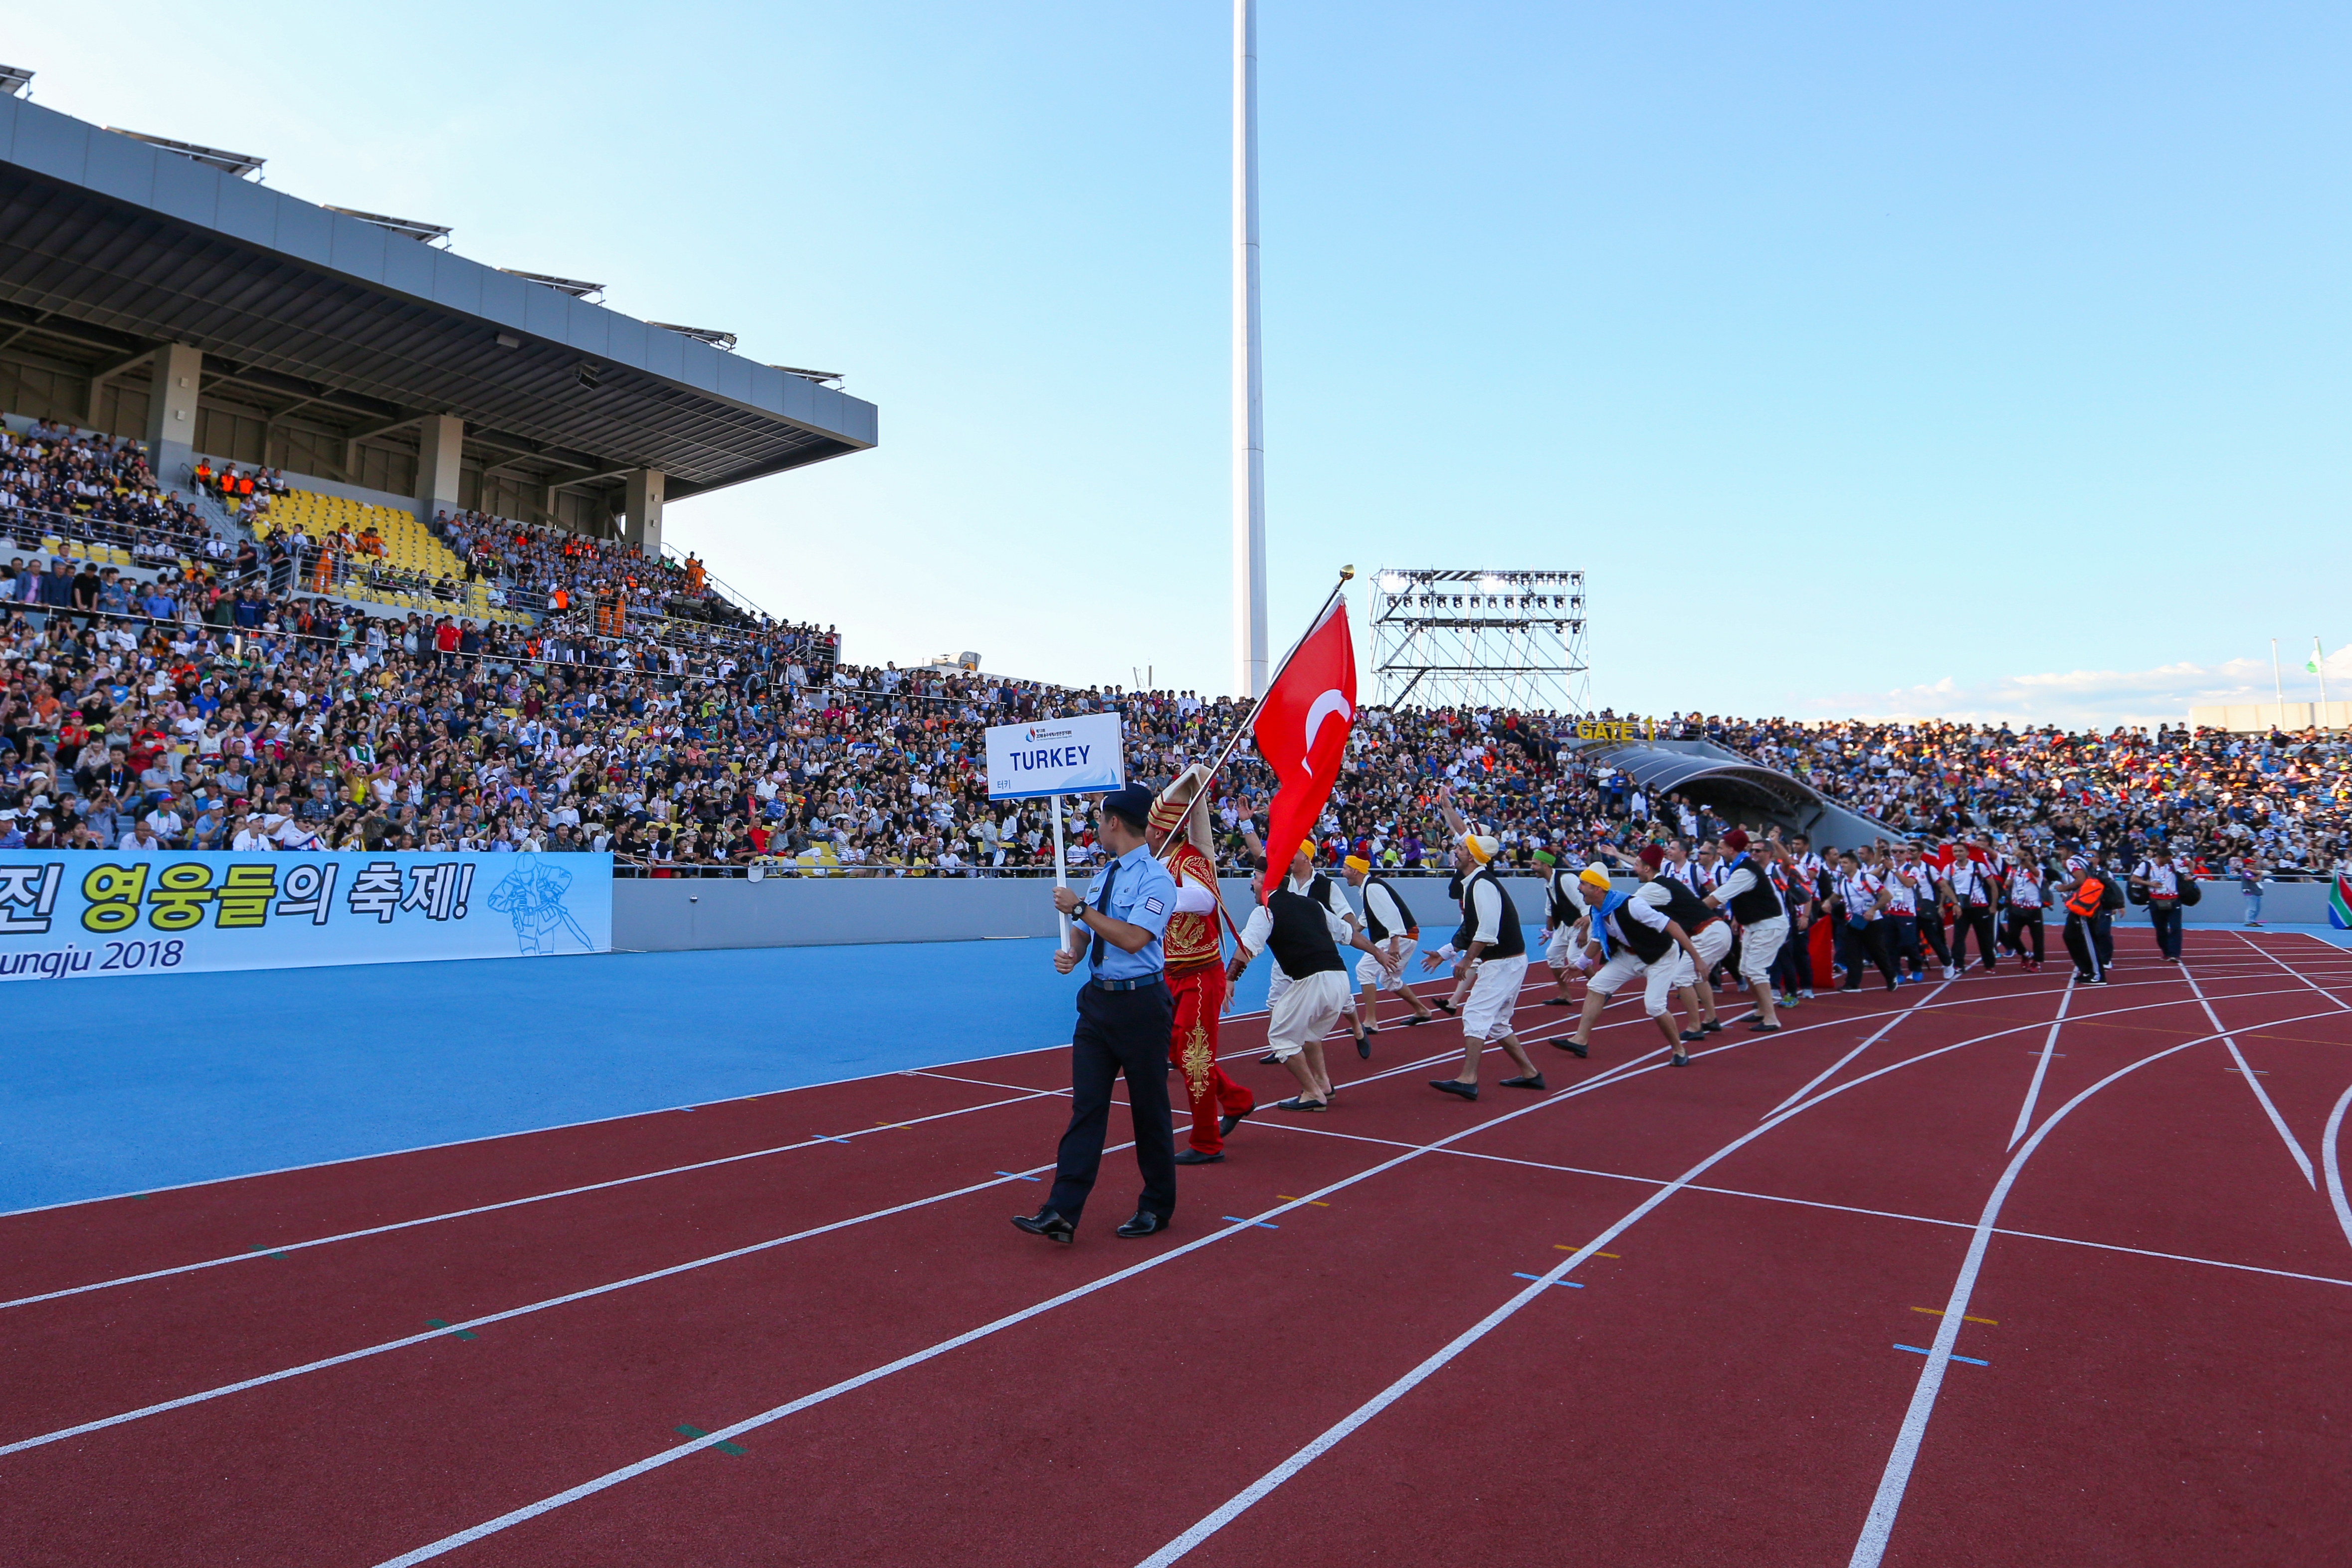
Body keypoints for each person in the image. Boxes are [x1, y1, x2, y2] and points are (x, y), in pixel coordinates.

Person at [1014, 785, 1181, 1245]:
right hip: (1098, 1001)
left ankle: (1156, 1206)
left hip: (1141, 1005)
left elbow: (1133, 939)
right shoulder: (1103, 875)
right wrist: (1074, 950)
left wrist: (1081, 909)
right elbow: (1091, 933)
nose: (1096, 827)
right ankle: (1061, 1211)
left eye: (1100, 819)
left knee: (1149, 1110)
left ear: (1114, 823)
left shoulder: (1156, 880)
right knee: (1086, 1108)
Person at [1227, 842, 1395, 1112]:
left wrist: (1229, 979)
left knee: (1281, 1039)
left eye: (1256, 879)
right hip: (1340, 981)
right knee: (1308, 1036)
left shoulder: (1266, 912)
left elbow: (1247, 947)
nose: (1252, 885)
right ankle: (1325, 1085)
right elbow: (1349, 934)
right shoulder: (1312, 905)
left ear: (1268, 882)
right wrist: (1377, 952)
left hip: (1312, 981)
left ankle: (1312, 1092)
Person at [1146, 766, 1255, 1166]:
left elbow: (1205, 901)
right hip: (1170, 972)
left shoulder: (1189, 861)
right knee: (1179, 1052)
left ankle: (1207, 1142)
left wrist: (1154, 897)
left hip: (1197, 974)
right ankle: (1237, 1099)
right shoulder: (1159, 865)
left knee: (1193, 1058)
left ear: (1159, 831)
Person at [1422, 822, 1546, 1101]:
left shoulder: (1482, 884)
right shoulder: (1475, 883)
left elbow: (1487, 931)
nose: (1456, 850)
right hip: (1506, 962)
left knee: (1475, 1015)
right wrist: (1445, 953)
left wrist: (1465, 961)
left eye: (1462, 848)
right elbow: (1470, 928)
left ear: (1473, 857)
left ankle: (1468, 1079)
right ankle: (1531, 1074)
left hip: (1503, 963)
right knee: (1498, 1023)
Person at [1558, 861, 1708, 1065]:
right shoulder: (1597, 910)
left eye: (1583, 884)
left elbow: (1672, 926)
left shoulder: (1632, 905)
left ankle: (1679, 1050)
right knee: (1596, 986)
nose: (1579, 888)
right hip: (1629, 955)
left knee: (1654, 1006)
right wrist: (1580, 964)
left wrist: (1697, 959)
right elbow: (1597, 941)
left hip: (1660, 956)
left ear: (1597, 888)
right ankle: (1580, 1040)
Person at [1703, 828, 1786, 1032]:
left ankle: (1771, 1018)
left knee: (1756, 970)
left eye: (1721, 848)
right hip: (1755, 926)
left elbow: (1719, 896)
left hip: (1769, 926)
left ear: (1731, 849)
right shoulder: (1739, 866)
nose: (1718, 851)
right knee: (1746, 970)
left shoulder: (1745, 871)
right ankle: (1761, 1010)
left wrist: (1692, 911)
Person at [1342, 853, 1436, 1028]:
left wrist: (1394, 942)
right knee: (1389, 979)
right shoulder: (1369, 888)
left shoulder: (1373, 888)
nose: (1342, 872)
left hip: (1401, 937)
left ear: (1355, 871)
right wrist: (1345, 934)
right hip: (1407, 936)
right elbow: (1365, 918)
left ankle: (1370, 1022)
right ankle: (1422, 1011)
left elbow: (1391, 912)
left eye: (1346, 869)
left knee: (1364, 970)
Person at [1833, 849, 1899, 991]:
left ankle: (1891, 976)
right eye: (1840, 863)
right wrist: (1827, 903)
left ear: (1854, 864)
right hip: (1853, 921)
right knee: (1852, 953)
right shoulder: (1842, 882)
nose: (1842, 865)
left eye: (1845, 863)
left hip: (1872, 922)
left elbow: (1887, 896)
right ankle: (1852, 983)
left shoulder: (1868, 879)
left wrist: (1873, 909)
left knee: (1877, 952)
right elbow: (1836, 896)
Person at [1536, 848, 1591, 1004]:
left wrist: (1584, 932)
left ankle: (1601, 988)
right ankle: (1565, 995)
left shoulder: (1566, 879)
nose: (1531, 867)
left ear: (1546, 865)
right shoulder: (1549, 884)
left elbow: (1586, 907)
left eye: (1535, 863)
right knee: (1552, 955)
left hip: (1580, 924)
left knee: (1574, 957)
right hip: (1565, 926)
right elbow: (1550, 910)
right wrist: (1548, 931)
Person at [1938, 842, 2001, 978]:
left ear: (1967, 853)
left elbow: (1993, 886)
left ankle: (1990, 965)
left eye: (1961, 851)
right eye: (1955, 851)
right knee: (1958, 937)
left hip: (1980, 907)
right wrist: (1941, 905)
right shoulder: (1949, 868)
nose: (1958, 854)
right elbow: (1945, 888)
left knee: (1985, 938)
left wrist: (1993, 905)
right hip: (1960, 907)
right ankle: (1958, 964)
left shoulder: (1978, 866)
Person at [2057, 855, 2113, 984]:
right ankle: (2087, 970)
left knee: (2089, 941)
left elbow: (2081, 880)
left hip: (2084, 907)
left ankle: (2098, 975)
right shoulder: (2082, 864)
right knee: (2070, 936)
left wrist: (2065, 888)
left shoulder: (2073, 861)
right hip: (2080, 905)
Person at [2131, 843, 2187, 963]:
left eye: (2170, 859)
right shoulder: (2146, 865)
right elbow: (2134, 878)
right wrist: (2151, 884)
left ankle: (2175, 954)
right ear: (2160, 857)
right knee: (2160, 929)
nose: (2169, 861)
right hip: (2155, 900)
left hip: (2173, 899)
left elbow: (2190, 863)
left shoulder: (2174, 863)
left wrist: (2190, 874)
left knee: (2176, 927)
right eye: (2167, 860)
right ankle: (2166, 952)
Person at [2005, 852, 2047, 971]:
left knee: (2037, 938)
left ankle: (2037, 961)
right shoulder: (2014, 871)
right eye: (2021, 856)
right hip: (2016, 908)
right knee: (2012, 935)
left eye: (2026, 855)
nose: (2022, 858)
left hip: (2033, 909)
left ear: (2032, 857)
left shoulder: (2037, 871)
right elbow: (2008, 884)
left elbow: (2036, 872)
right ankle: (2025, 954)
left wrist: (2025, 861)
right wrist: (2008, 882)